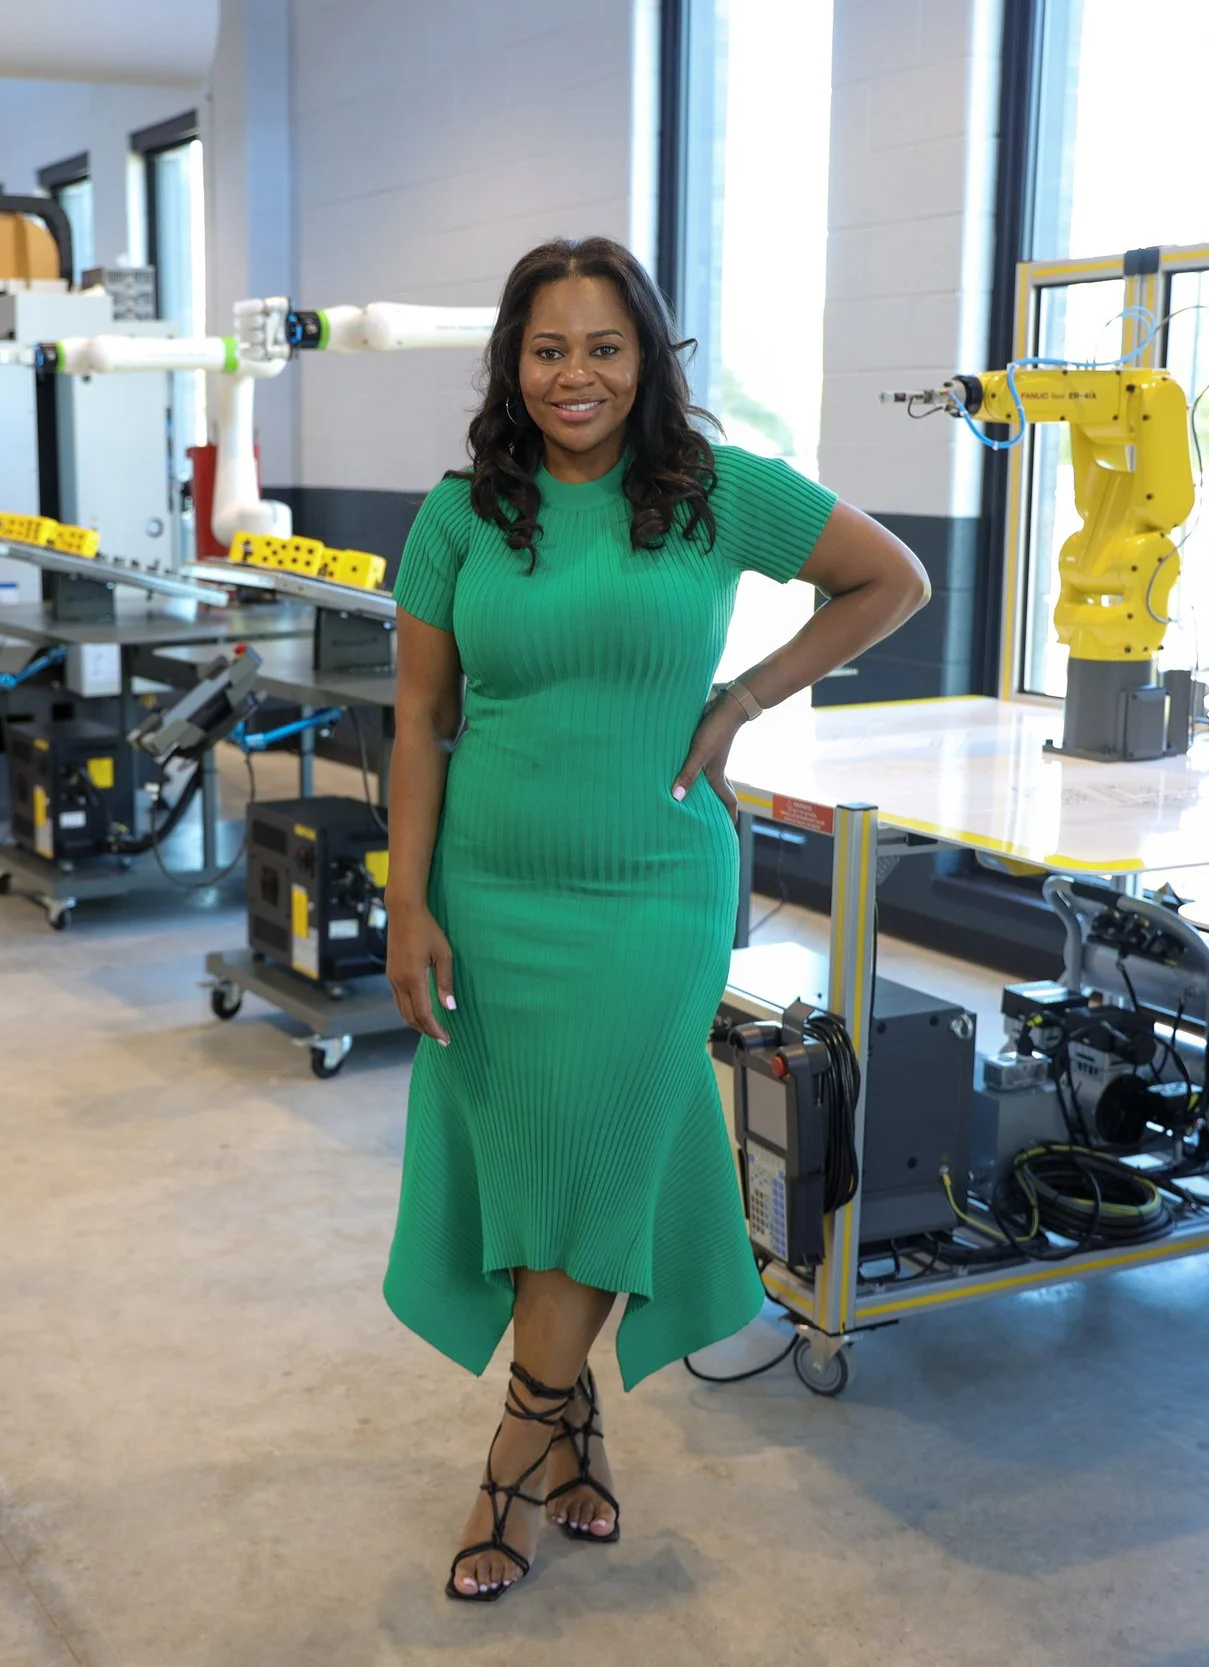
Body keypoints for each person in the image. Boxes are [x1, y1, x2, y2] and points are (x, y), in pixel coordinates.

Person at [381, 236, 929, 1602]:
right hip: (491, 897)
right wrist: (405, 901)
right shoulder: (460, 516)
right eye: (548, 348)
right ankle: (579, 1434)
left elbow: (891, 579)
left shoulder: (715, 493)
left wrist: (743, 699)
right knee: (534, 1163)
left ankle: (510, 1462)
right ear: (513, 362)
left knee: (608, 1156)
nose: (576, 374)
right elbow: (419, 721)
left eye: (605, 347)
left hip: (654, 895)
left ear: (649, 357)